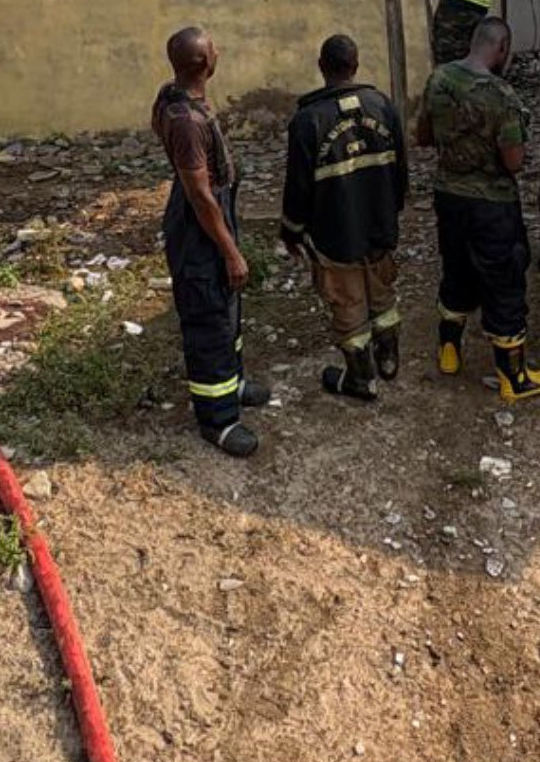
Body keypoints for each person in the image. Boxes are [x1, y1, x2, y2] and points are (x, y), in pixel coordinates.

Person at [417, 15, 540, 403]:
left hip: (448, 196)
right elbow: (513, 162)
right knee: (505, 280)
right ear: (502, 49)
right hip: (492, 205)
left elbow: (423, 136)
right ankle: (513, 379)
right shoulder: (502, 97)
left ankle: (449, 351)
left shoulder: (439, 80)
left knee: (456, 268)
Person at [151, 27, 269, 458]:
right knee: (208, 314)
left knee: (227, 305)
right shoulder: (185, 121)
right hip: (201, 220)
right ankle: (217, 419)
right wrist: (231, 250)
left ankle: (233, 384)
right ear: (204, 64)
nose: (219, 52)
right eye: (213, 49)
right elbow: (200, 195)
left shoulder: (175, 95)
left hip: (211, 210)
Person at [280, 34, 409, 401]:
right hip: (380, 225)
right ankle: (388, 359)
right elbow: (401, 171)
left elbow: (298, 188)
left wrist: (291, 231)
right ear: (356, 65)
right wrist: (392, 213)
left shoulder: (307, 122)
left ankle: (360, 378)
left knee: (348, 303)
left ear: (322, 67)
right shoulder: (382, 106)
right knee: (382, 293)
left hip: (336, 235)